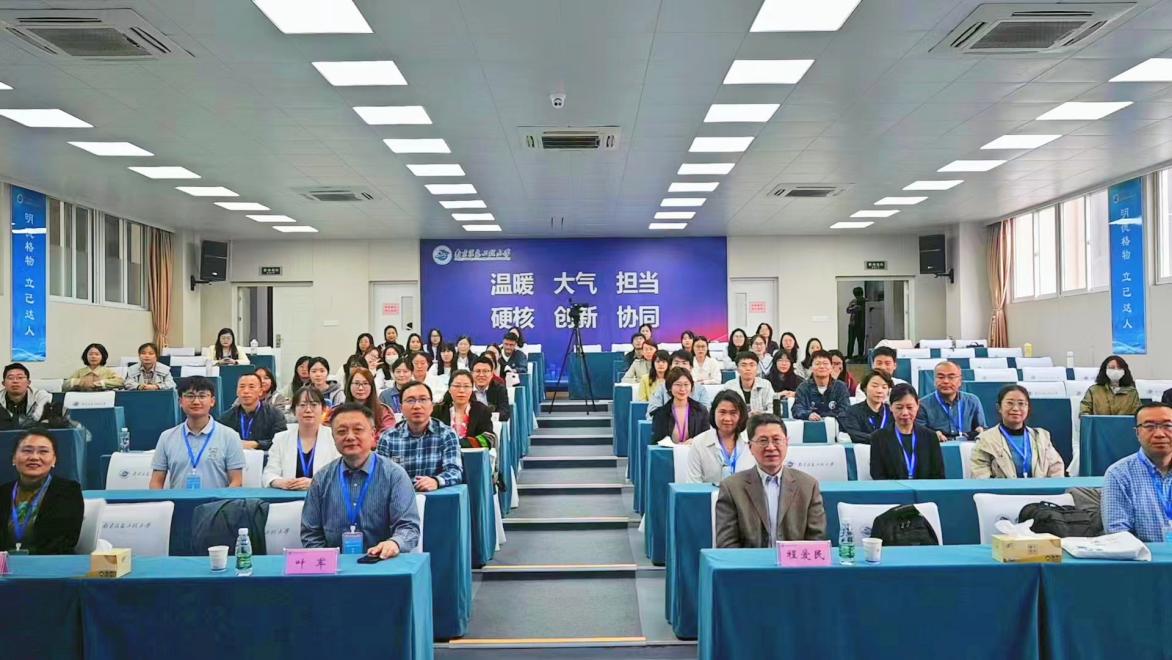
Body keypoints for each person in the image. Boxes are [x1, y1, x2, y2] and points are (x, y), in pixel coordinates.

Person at [301, 402, 421, 558]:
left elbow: (409, 528)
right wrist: (327, 560)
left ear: (373, 434)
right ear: (333, 437)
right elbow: (310, 533)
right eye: (342, 431)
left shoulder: (394, 475)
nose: (350, 437)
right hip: (335, 567)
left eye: (358, 430)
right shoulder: (321, 478)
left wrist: (394, 543)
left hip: (383, 563)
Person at [714, 413, 826, 547]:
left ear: (787, 443)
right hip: (748, 560)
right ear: (750, 447)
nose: (771, 447)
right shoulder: (732, 488)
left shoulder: (808, 486)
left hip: (794, 560)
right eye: (763, 441)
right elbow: (727, 545)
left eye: (777, 440)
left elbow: (816, 542)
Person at [150, 376, 245, 489]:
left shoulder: (230, 436)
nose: (196, 401)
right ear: (180, 401)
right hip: (179, 500)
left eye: (202, 396)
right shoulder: (166, 437)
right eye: (190, 396)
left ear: (212, 401)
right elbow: (156, 482)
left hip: (216, 500)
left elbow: (237, 481)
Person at [1, 429, 83, 554]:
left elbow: (63, 542)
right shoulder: (3, 492)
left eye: (43, 451)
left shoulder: (68, 492)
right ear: (13, 458)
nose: (34, 457)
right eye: (27, 451)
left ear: (54, 460)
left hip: (50, 563)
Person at [1102, 403, 1172, 542]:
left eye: (1167, 426)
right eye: (1149, 426)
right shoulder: (1118, 474)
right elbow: (1117, 534)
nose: (1159, 434)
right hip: (1145, 555)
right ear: (1137, 433)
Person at [377, 381, 464, 491]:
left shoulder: (446, 434)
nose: (417, 406)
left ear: (432, 406)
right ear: (401, 407)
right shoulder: (388, 438)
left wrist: (436, 481)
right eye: (410, 400)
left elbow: (455, 471)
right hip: (399, 497)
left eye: (423, 400)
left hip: (436, 497)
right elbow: (380, 476)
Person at [970, 385, 1065, 479]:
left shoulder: (1041, 437)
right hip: (1000, 490)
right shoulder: (985, 440)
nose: (1015, 408)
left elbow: (1056, 470)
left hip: (1041, 489)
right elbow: (981, 477)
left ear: (1028, 408)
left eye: (1021, 403)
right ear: (999, 407)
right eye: (1010, 403)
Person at [263, 387, 339, 489]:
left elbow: (340, 475)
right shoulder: (281, 438)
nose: (308, 410)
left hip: (324, 496)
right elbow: (269, 474)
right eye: (302, 405)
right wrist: (280, 482)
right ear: (294, 411)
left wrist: (315, 483)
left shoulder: (334, 437)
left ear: (323, 409)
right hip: (288, 496)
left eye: (314, 405)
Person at [870, 384, 945, 480]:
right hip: (892, 488)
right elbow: (877, 474)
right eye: (899, 408)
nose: (905, 413)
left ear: (917, 406)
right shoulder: (879, 438)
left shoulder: (930, 437)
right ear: (890, 407)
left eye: (909, 407)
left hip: (925, 488)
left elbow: (938, 474)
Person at [687, 391, 755, 483]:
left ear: (741, 415)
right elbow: (693, 484)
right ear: (713, 413)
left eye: (733, 413)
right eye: (722, 412)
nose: (727, 418)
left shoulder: (753, 441)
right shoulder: (699, 443)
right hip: (709, 492)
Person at [916, 361, 986, 442]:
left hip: (967, 446)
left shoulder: (972, 401)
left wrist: (980, 431)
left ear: (960, 381)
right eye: (941, 377)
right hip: (937, 446)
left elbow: (982, 429)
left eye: (951, 377)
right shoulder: (922, 405)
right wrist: (932, 435)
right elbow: (919, 434)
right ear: (934, 380)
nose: (946, 381)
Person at [218, 372, 288, 451]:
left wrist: (256, 444)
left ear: (260, 391)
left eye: (251, 387)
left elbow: (281, 441)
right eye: (242, 387)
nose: (246, 391)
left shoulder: (275, 415)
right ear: (237, 391)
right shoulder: (225, 418)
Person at [433, 370, 495, 449]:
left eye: (466, 386)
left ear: (472, 389)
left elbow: (488, 439)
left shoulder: (482, 410)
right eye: (457, 386)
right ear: (449, 389)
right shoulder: (437, 411)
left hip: (473, 455)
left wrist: (459, 443)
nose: (461, 390)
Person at [649, 368, 710, 444]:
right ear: (670, 387)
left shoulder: (701, 411)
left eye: (686, 384)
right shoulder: (660, 413)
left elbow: (707, 439)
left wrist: (695, 441)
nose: (682, 389)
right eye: (678, 384)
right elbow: (655, 444)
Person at [647, 350, 714, 416]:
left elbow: (706, 412)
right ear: (670, 367)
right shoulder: (662, 388)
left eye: (684, 363)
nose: (680, 366)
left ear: (691, 367)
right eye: (676, 363)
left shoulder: (700, 389)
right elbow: (652, 412)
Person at [792, 351, 851, 421]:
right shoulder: (803, 388)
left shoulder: (840, 387)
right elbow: (797, 409)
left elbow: (845, 410)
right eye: (817, 364)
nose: (822, 366)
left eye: (825, 363)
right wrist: (808, 415)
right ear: (811, 368)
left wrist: (825, 416)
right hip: (811, 425)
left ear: (831, 367)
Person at [334, 368, 396, 433]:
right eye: (356, 383)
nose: (360, 388)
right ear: (349, 385)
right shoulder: (338, 411)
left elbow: (388, 435)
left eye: (365, 383)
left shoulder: (383, 411)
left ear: (372, 386)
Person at [839, 371, 893, 445]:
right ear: (865, 388)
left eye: (884, 387)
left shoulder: (892, 412)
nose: (879, 391)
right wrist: (880, 439)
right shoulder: (852, 411)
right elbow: (855, 435)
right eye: (874, 386)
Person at [471, 356, 511, 422]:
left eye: (485, 371)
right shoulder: (466, 388)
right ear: (472, 373)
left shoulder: (499, 389)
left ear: (492, 374)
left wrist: (486, 418)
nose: (481, 375)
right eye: (478, 371)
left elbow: (505, 413)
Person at [845, 286, 866, 361]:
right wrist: (854, 308)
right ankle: (850, 356)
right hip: (853, 324)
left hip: (861, 324)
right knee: (851, 341)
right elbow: (848, 310)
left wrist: (861, 308)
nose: (857, 297)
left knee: (860, 341)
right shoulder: (853, 301)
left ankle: (860, 356)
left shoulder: (866, 302)